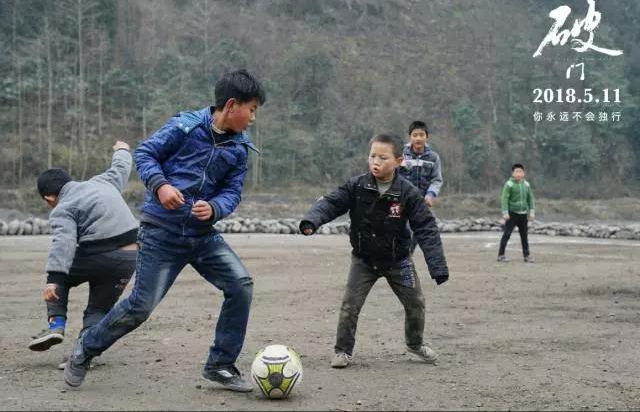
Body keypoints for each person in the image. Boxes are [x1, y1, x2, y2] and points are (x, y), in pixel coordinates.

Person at [63, 70, 266, 392]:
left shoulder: (240, 148)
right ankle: (86, 348)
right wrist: (161, 186)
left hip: (202, 236)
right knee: (140, 307)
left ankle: (220, 366)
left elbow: (232, 192)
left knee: (241, 285)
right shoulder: (184, 127)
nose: (253, 118)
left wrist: (215, 208)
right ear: (231, 105)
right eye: (252, 109)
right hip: (162, 233)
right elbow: (145, 154)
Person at [299, 133, 449, 369]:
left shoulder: (408, 193)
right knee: (350, 306)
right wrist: (311, 221)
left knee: (416, 304)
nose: (375, 162)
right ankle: (342, 351)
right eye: (372, 156)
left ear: (399, 161)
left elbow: (426, 228)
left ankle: (415, 343)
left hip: (398, 261)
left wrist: (438, 267)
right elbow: (331, 202)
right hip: (364, 260)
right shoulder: (357, 185)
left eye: (383, 157)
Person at [30, 141, 138, 358]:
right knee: (99, 308)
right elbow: (121, 167)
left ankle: (56, 325)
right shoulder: (104, 182)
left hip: (98, 253)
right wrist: (122, 150)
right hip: (130, 257)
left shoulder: (63, 208)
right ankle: (84, 352)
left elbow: (64, 243)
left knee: (61, 280)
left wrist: (53, 279)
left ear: (49, 198)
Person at [399, 120, 443, 208]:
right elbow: (393, 176)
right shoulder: (400, 155)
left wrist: (430, 194)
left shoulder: (433, 158)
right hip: (401, 202)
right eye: (415, 135)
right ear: (410, 137)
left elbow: (436, 180)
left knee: (424, 221)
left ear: (427, 136)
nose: (418, 138)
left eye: (421, 135)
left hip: (422, 202)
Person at [498, 163, 535, 263]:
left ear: (524, 173)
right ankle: (501, 255)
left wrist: (531, 212)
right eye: (516, 172)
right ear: (512, 173)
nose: (519, 174)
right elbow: (504, 199)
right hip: (512, 214)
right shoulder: (509, 184)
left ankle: (526, 256)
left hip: (523, 214)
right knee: (507, 234)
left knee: (524, 236)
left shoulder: (526, 185)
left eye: (520, 172)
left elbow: (530, 199)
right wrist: (505, 212)